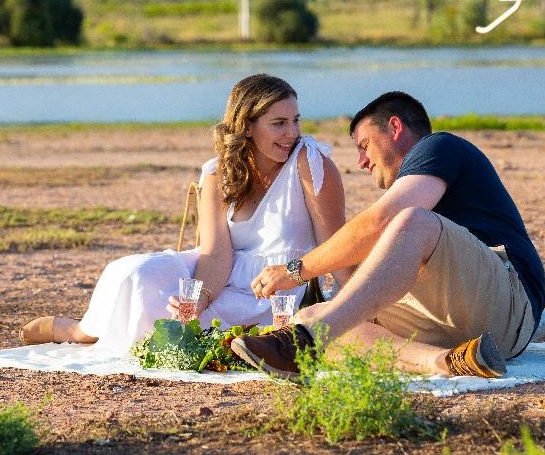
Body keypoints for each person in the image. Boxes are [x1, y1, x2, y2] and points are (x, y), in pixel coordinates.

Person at [19, 74, 346, 355]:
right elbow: (216, 253)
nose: (292, 133)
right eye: (279, 123)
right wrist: (200, 299)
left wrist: (360, 302)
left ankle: (89, 333)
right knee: (131, 273)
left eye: (295, 120)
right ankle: (81, 331)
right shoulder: (218, 172)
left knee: (200, 331)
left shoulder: (310, 162)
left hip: (275, 288)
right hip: (221, 272)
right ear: (247, 127)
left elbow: (337, 244)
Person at [232, 91, 545, 379]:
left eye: (364, 145)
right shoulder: (416, 194)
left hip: (510, 304)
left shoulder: (440, 147)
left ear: (394, 127)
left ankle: (303, 341)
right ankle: (448, 361)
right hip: (458, 324)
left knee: (411, 220)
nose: (361, 161)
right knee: (315, 312)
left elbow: (382, 220)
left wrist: (296, 270)